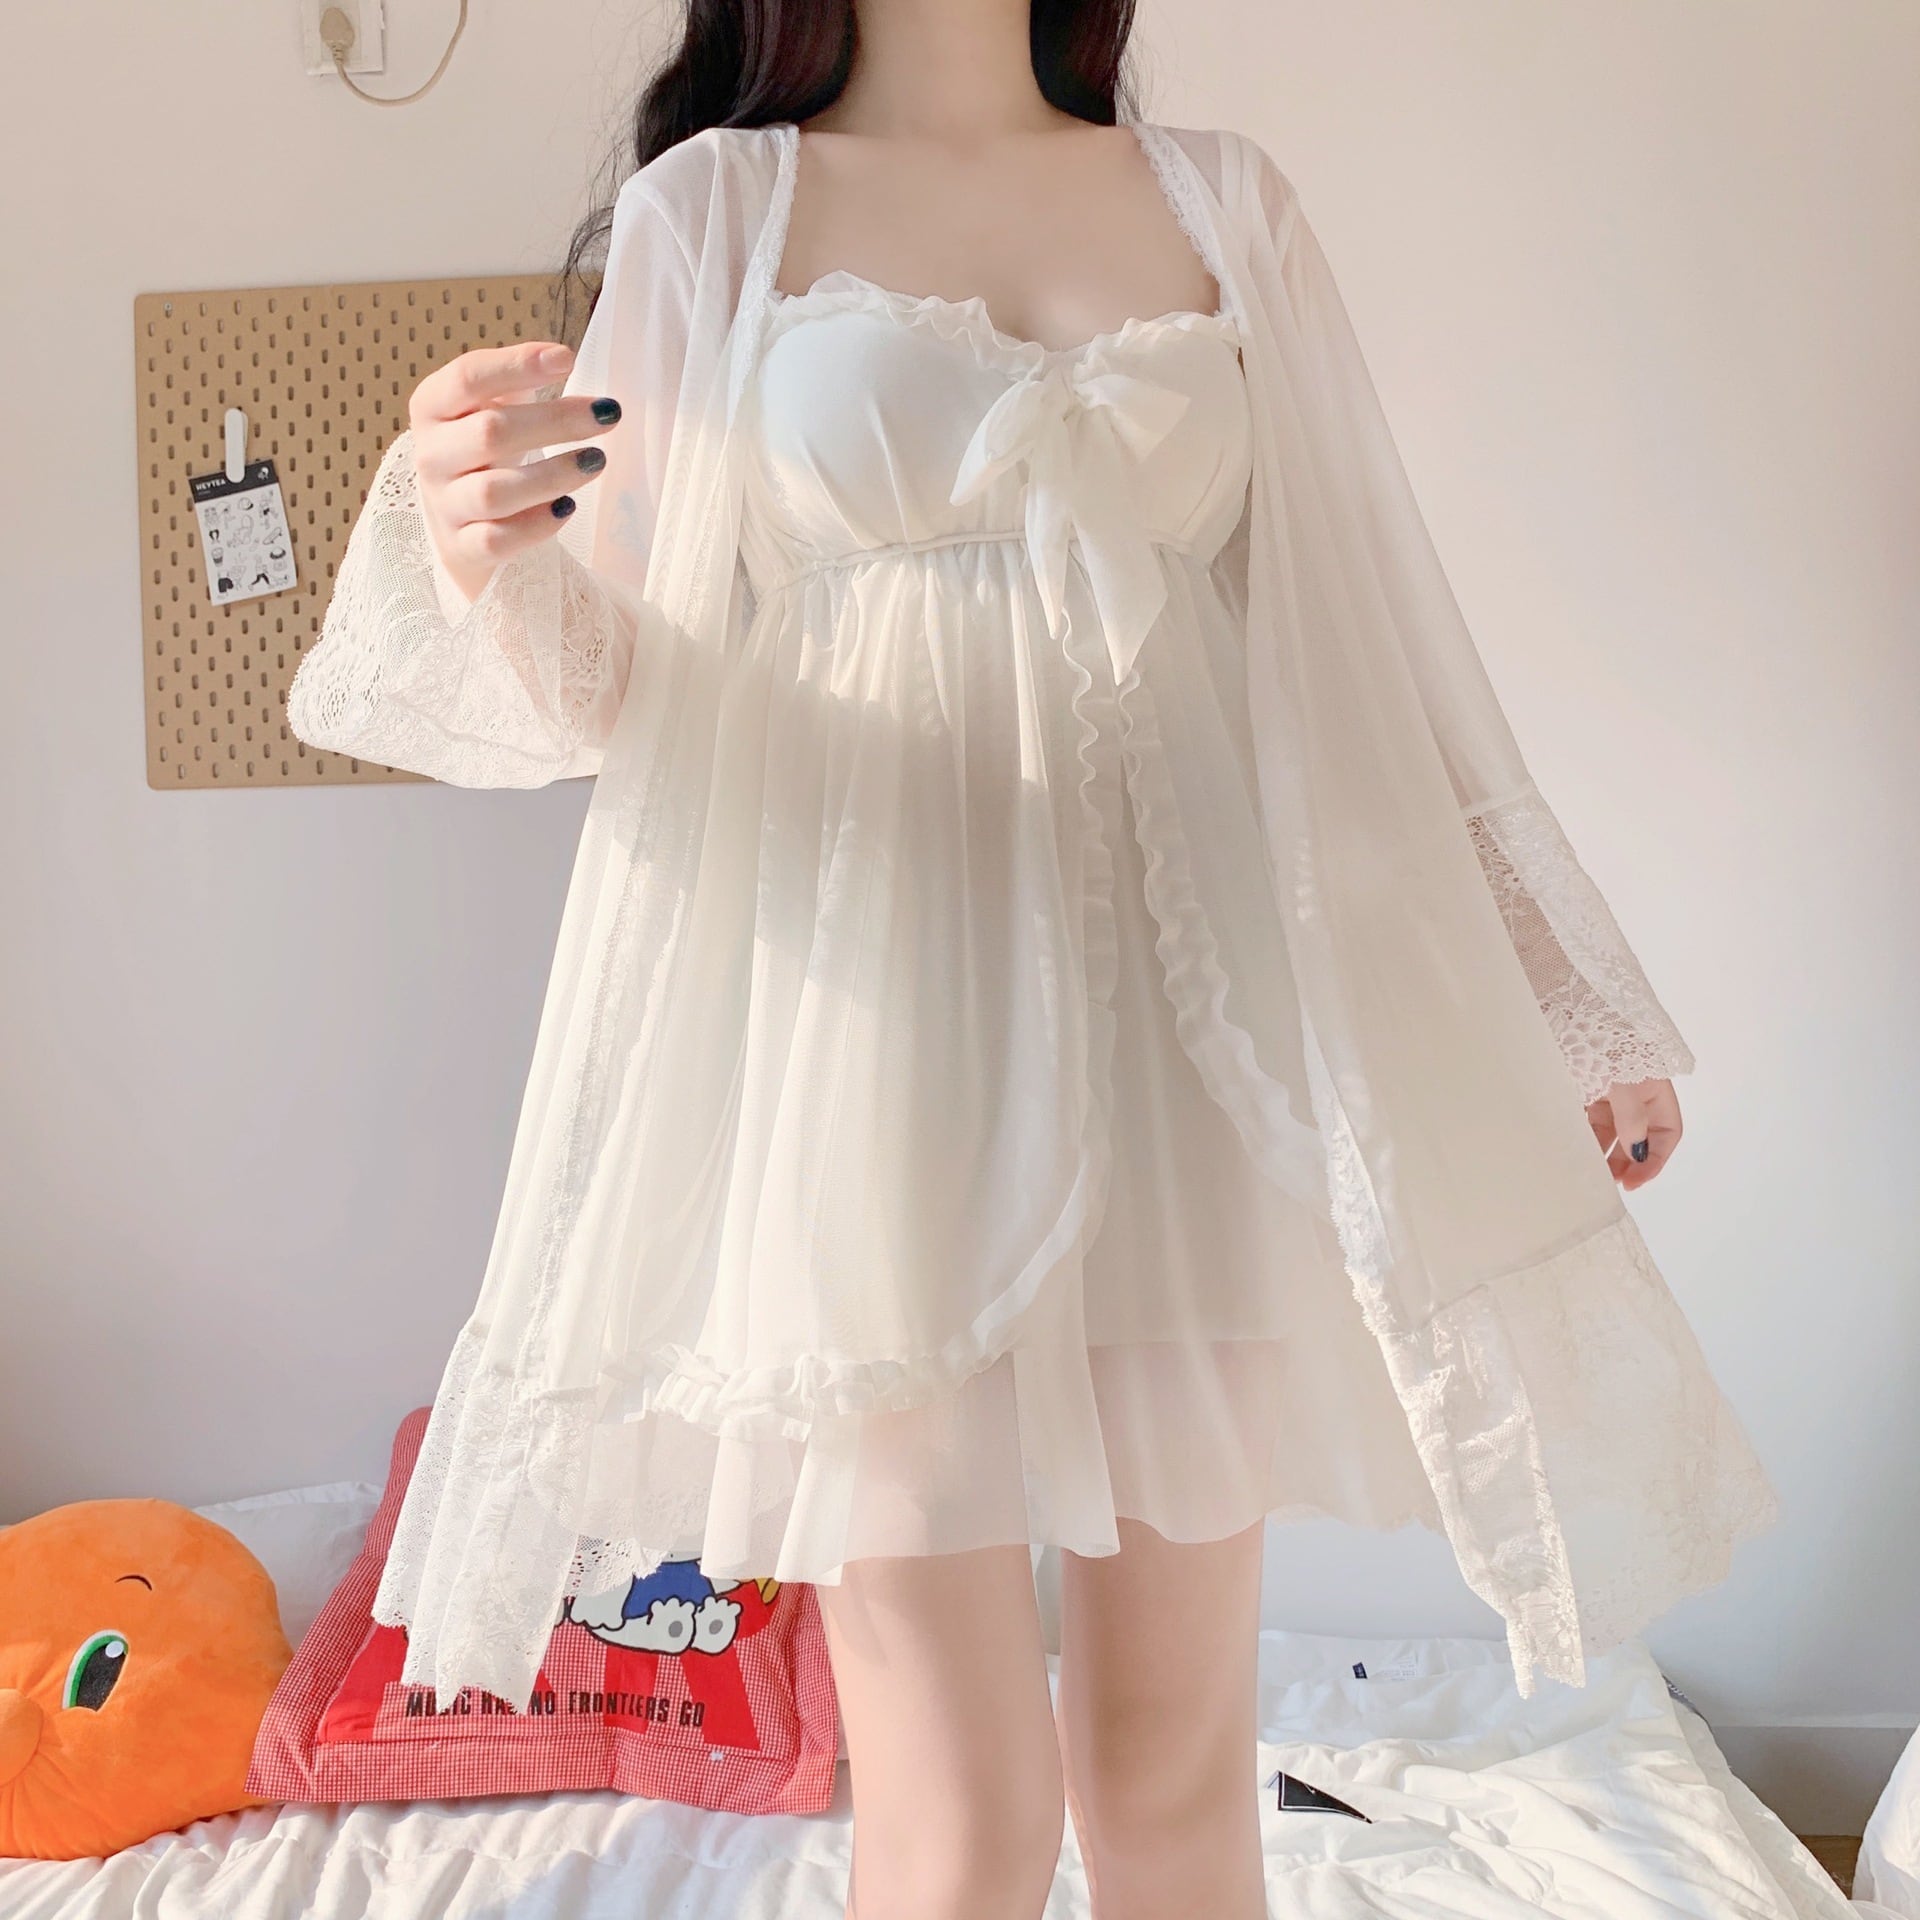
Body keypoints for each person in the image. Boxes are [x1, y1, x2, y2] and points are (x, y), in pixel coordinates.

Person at [284, 3, 1779, 1914]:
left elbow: (1363, 650)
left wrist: (1554, 1001)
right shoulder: (717, 211)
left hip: (1195, 1065)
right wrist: (482, 553)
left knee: (1171, 1776)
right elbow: (621, 696)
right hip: (870, 1065)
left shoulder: (1225, 205)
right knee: (962, 1808)